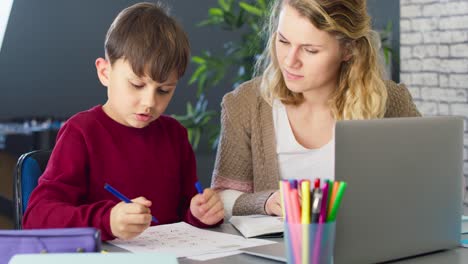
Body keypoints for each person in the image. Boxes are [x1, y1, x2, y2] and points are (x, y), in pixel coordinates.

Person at [23, 2, 224, 240]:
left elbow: (185, 213)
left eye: (164, 90)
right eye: (137, 85)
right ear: (105, 72)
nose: (149, 102)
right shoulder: (81, 132)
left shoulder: (175, 135)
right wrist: (106, 221)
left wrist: (200, 213)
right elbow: (36, 217)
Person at [211, 0, 420, 218]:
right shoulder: (246, 103)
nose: (290, 61)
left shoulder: (390, 101)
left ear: (348, 49)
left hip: (370, 249)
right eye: (283, 41)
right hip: (278, 251)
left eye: (310, 50)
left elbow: (428, 182)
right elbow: (220, 199)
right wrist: (266, 202)